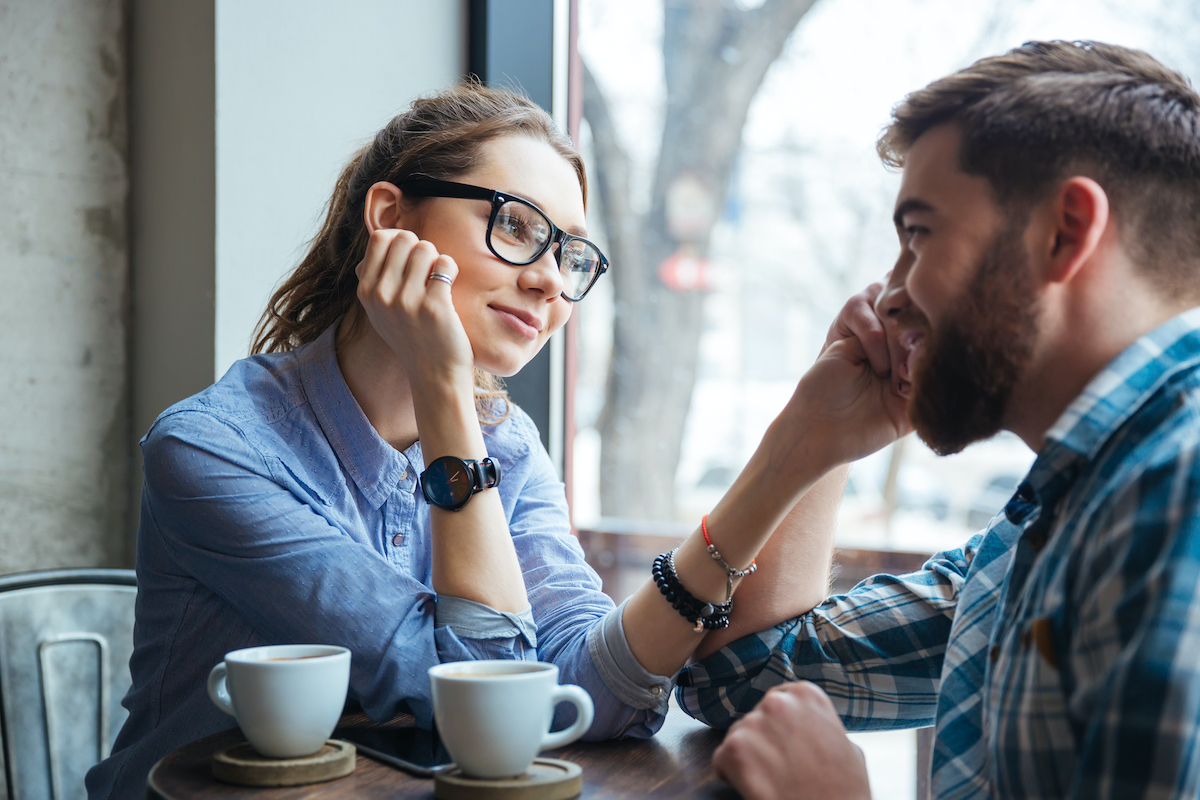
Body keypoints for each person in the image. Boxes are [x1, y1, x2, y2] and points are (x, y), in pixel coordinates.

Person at [87, 82, 842, 799]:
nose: (550, 281)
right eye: (516, 226)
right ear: (389, 218)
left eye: (572, 256)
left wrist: (788, 462)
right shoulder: (212, 450)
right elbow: (493, 689)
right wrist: (444, 387)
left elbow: (603, 698)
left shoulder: (508, 447)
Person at [658, 40, 1200, 798]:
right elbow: (739, 675)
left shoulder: (1179, 492)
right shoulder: (1041, 525)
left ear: (1065, 232)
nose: (888, 295)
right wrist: (813, 440)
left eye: (919, 234)